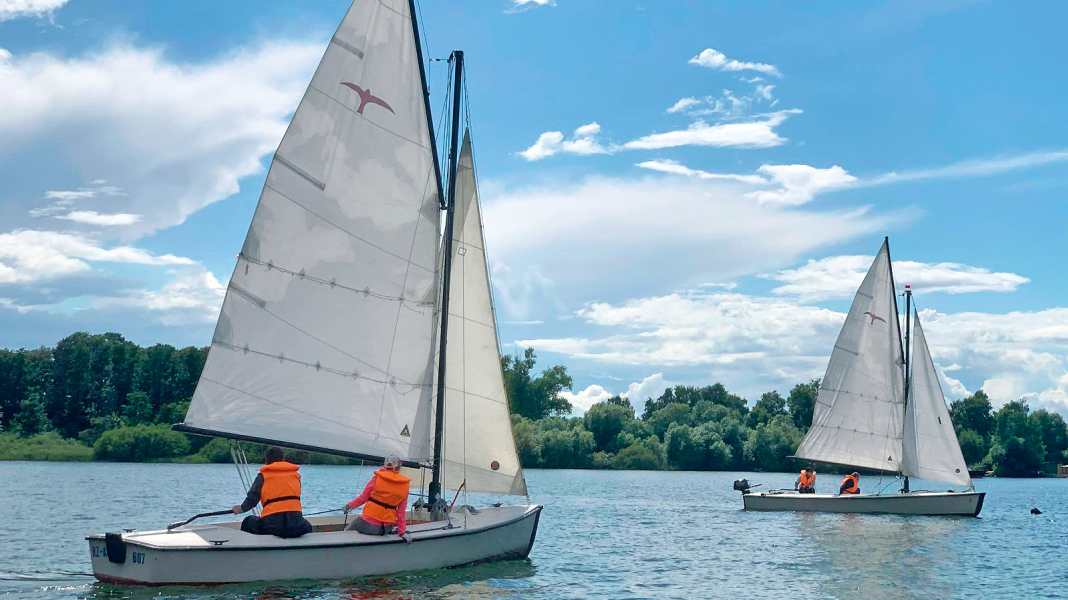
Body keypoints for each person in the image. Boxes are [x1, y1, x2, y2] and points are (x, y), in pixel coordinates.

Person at [231, 446, 313, 538]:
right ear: (282, 459)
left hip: (272, 527)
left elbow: (252, 499)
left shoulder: (263, 476)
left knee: (248, 521)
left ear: (266, 460)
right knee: (308, 527)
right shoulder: (296, 476)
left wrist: (240, 508)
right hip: (295, 525)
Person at [343, 455, 412, 543]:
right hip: (386, 528)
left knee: (346, 532)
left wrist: (348, 506)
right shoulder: (405, 485)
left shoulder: (377, 478)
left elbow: (363, 498)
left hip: (368, 525)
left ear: (385, 465)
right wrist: (402, 532)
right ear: (399, 467)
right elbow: (401, 513)